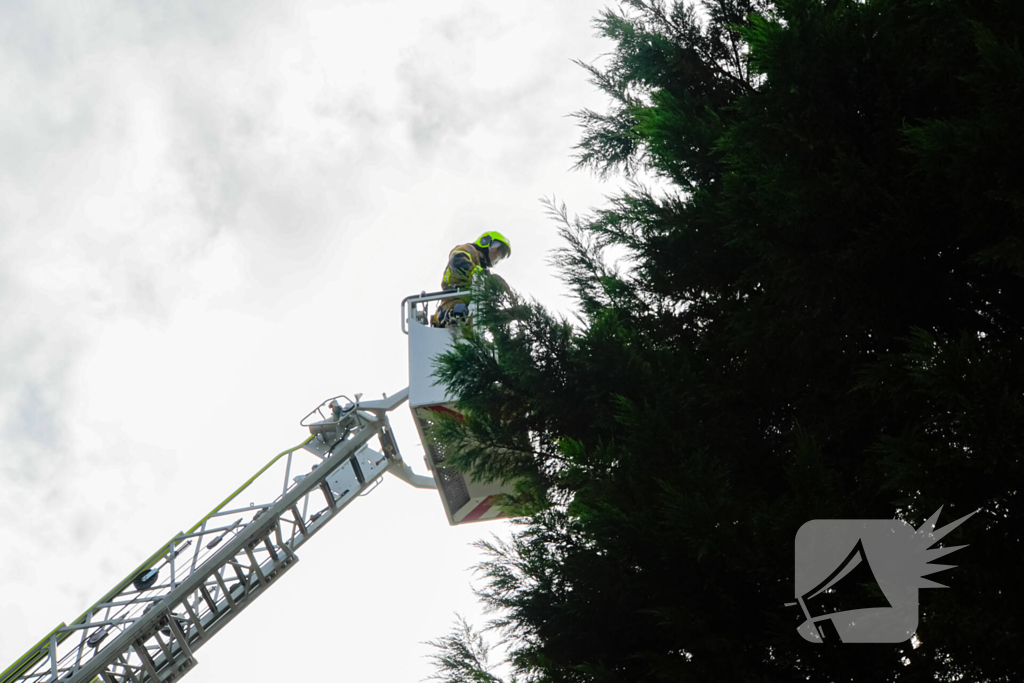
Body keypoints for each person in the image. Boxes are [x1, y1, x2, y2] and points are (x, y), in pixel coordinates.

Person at [431, 231, 512, 327]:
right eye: (498, 248)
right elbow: (458, 262)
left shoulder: (482, 268)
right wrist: (487, 277)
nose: (498, 254)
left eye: (502, 254)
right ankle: (446, 317)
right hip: (454, 299)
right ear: (485, 241)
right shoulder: (469, 249)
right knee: (460, 321)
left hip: (472, 306)